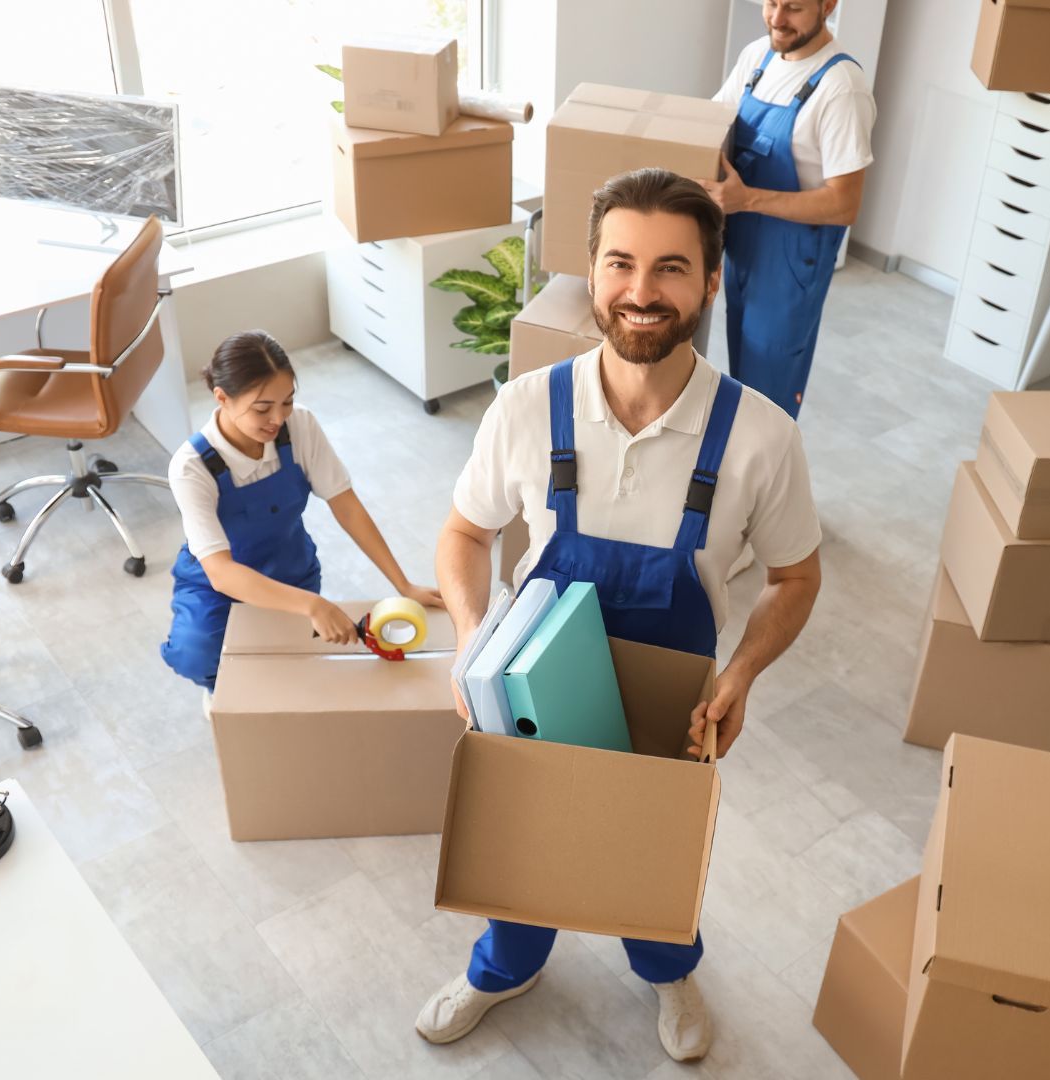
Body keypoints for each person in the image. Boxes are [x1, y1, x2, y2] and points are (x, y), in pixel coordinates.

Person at [418, 169, 824, 1062]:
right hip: (532, 686)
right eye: (620, 264)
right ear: (592, 272)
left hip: (672, 698)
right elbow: (462, 531)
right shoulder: (528, 407)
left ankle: (667, 969)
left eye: (671, 268)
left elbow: (796, 576)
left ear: (711, 281)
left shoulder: (760, 437)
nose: (641, 293)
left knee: (656, 854)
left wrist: (743, 673)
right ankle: (505, 966)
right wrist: (469, 636)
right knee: (522, 843)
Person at [159, 331, 441, 703]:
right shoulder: (191, 466)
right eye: (262, 408)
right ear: (222, 398)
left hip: (290, 569)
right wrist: (313, 605)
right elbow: (221, 571)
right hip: (214, 584)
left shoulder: (301, 427)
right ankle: (220, 692)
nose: (278, 418)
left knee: (288, 660)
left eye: (287, 401)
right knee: (195, 652)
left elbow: (347, 506)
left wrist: (402, 584)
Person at [705, 0, 877, 419]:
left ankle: (767, 481)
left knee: (768, 400)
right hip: (742, 250)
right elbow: (709, 124)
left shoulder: (841, 86)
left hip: (789, 268)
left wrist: (747, 199)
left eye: (794, 7)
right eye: (771, 2)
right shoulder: (756, 57)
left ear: (828, 5)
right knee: (741, 382)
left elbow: (845, 203)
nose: (777, 19)